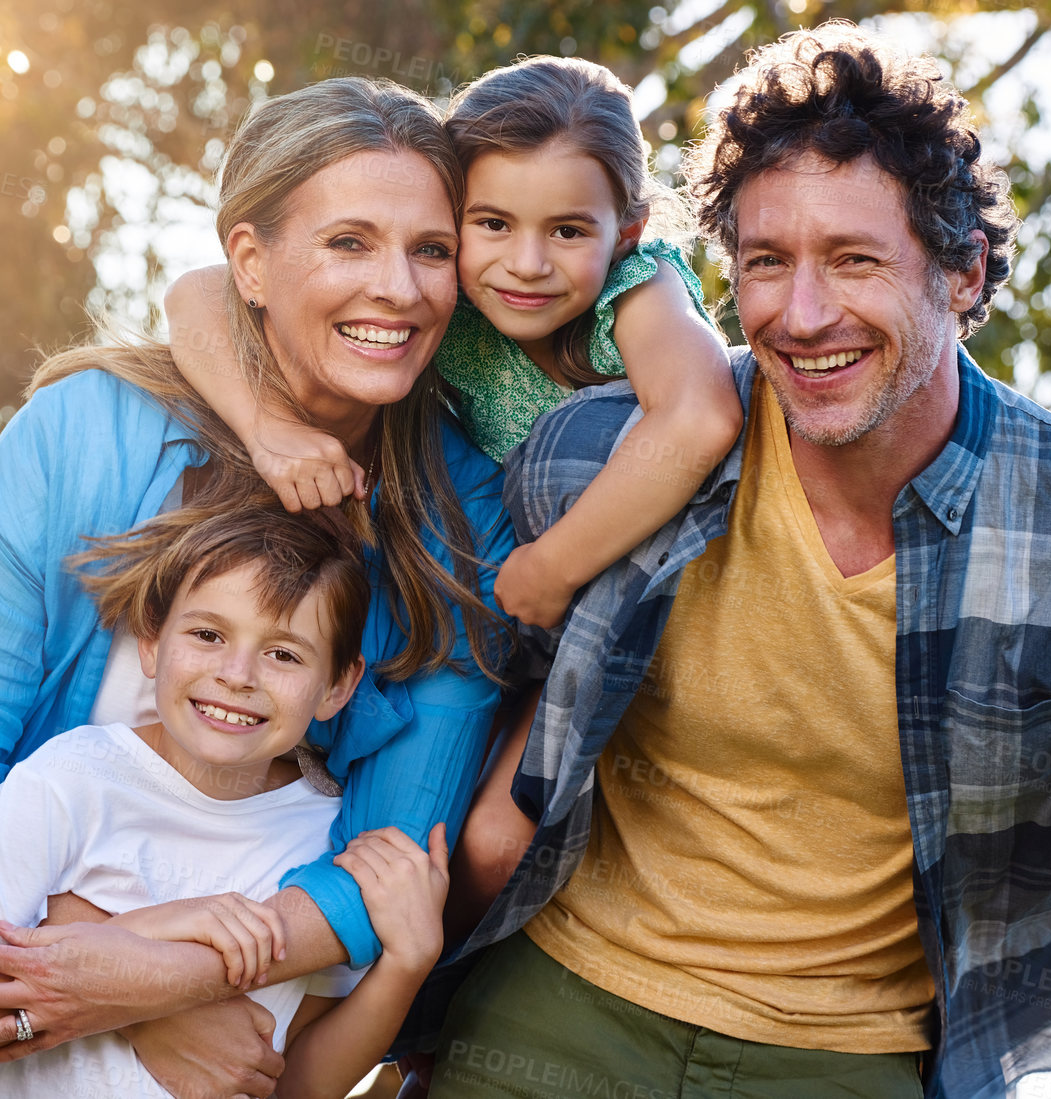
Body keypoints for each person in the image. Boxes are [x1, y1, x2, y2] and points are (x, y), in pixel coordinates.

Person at [415, 23, 1051, 1099]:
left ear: (964, 272)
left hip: (845, 1056)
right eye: (767, 264)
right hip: (558, 998)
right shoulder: (589, 459)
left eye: (854, 260)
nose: (802, 316)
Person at [0, 76, 515, 1099]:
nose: (401, 291)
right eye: (348, 243)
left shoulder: (462, 523)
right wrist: (146, 993)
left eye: (431, 250)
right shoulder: (84, 434)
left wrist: (161, 991)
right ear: (251, 262)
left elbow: (387, 866)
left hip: (245, 1056)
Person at [162, 56, 741, 925]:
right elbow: (198, 290)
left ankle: (421, 1027)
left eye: (569, 231)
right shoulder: (438, 280)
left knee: (492, 845)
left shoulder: (638, 292)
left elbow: (697, 420)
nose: (527, 262)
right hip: (492, 597)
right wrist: (263, 426)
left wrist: (553, 564)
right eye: (492, 223)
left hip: (605, 605)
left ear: (628, 229)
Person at [0, 504, 450, 1098]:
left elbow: (286, 1085)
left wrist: (405, 965)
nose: (238, 675)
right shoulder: (68, 783)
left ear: (338, 685)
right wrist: (148, 940)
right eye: (208, 635)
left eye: (284, 654)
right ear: (152, 641)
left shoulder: (323, 840)